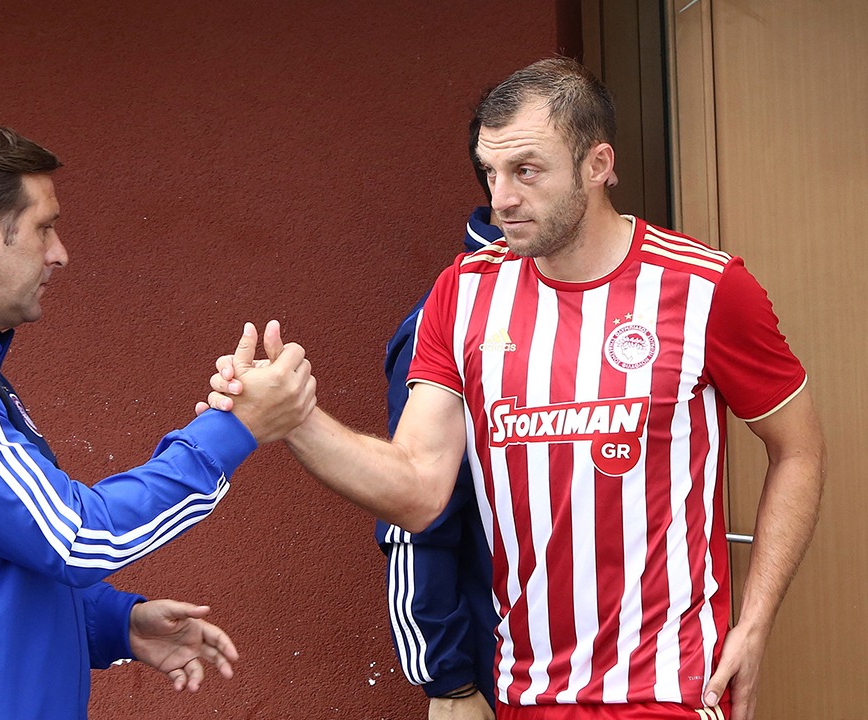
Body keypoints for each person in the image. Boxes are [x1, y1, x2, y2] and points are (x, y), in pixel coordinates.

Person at [207, 58, 824, 720]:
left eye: (526, 171)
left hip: (669, 690)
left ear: (598, 164)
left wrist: (755, 623)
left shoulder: (706, 288)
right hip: (523, 692)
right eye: (490, 171)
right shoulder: (462, 294)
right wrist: (295, 418)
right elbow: (417, 490)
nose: (500, 197)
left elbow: (798, 450)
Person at [0, 121, 316, 720]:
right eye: (44, 227)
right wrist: (234, 430)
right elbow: (74, 537)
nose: (59, 253)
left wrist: (112, 623)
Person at [375, 115, 503, 719]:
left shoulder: (627, 301)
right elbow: (414, 507)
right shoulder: (449, 316)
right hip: (497, 667)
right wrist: (447, 681)